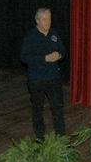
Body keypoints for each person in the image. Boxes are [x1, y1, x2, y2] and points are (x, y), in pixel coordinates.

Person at [20, 7, 65, 139]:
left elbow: (63, 51)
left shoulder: (54, 34)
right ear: (37, 21)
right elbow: (24, 57)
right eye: (45, 19)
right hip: (37, 79)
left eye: (49, 19)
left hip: (54, 78)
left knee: (57, 108)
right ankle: (40, 138)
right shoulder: (30, 37)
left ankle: (61, 137)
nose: (48, 22)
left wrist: (59, 55)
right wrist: (44, 58)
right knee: (38, 109)